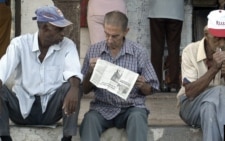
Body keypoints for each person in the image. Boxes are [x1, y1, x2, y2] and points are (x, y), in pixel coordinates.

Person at [0, 5, 83, 141]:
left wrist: (74, 87)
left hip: (51, 109)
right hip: (21, 109)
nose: (63, 33)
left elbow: (74, 71)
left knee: (73, 86)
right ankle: (4, 137)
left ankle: (67, 138)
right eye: (59, 29)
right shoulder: (20, 44)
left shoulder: (67, 45)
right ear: (45, 28)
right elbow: (2, 70)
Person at [79, 11, 159, 141]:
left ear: (126, 31)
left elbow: (152, 89)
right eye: (107, 34)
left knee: (138, 118)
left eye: (115, 36)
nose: (109, 40)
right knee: (90, 120)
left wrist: (142, 85)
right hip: (102, 107)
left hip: (131, 107)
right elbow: (85, 89)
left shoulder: (139, 52)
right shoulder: (94, 50)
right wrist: (90, 72)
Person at [177, 9, 225, 141]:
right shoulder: (190, 51)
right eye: (217, 39)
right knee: (220, 90)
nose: (222, 44)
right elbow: (190, 93)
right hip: (190, 107)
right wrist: (214, 69)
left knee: (209, 107)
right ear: (206, 34)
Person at [148, 0, 184, 92]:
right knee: (174, 49)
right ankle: (174, 84)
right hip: (176, 10)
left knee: (156, 49)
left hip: (156, 11)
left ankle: (156, 83)